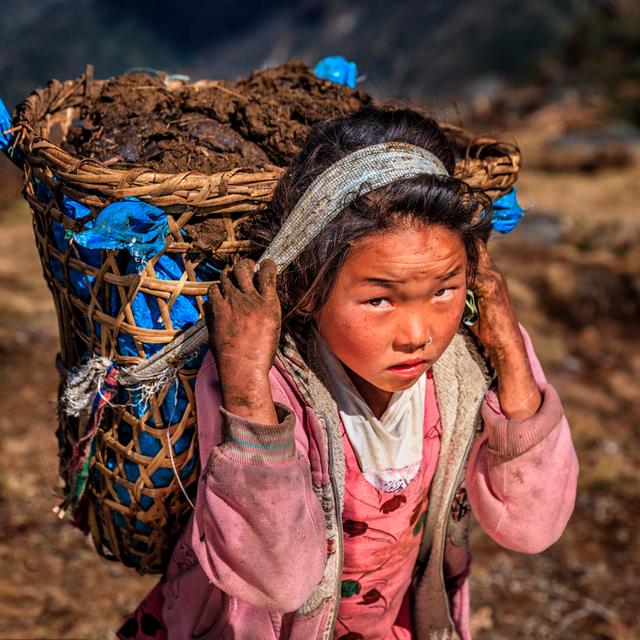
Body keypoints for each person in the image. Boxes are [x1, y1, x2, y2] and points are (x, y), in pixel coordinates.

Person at [117, 106, 578, 640]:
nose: (417, 333)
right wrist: (245, 388)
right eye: (380, 298)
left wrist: (506, 342)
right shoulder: (265, 380)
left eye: (444, 290)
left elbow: (532, 525)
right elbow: (279, 581)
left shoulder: (463, 372)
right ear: (311, 289)